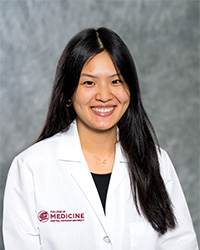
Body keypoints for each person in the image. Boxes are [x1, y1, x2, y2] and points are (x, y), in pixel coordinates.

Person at [3, 27, 198, 250]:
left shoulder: (157, 162)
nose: (104, 96)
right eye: (89, 83)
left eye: (116, 81)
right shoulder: (30, 167)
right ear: (68, 93)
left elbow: (180, 244)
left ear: (130, 89)